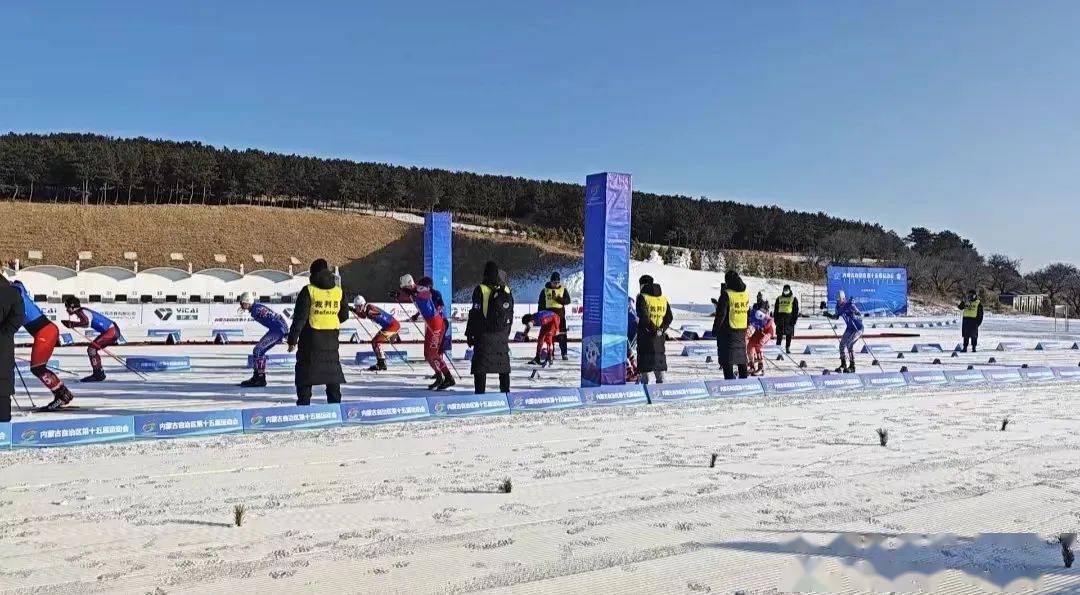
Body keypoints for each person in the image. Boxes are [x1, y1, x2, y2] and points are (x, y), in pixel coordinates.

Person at [287, 259, 349, 406]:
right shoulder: (338, 291)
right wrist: (329, 319)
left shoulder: (308, 290)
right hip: (332, 338)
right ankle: (335, 405)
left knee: (305, 371)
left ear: (313, 273)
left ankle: (303, 404)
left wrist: (292, 339)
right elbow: (344, 315)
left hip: (311, 338)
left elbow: (300, 318)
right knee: (332, 371)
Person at [12, 281, 74, 411]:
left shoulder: (13, 291)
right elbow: (19, 285)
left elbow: (17, 288)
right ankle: (63, 393)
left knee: (37, 368)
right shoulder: (16, 289)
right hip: (47, 329)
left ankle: (61, 395)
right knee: (39, 367)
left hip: (44, 331)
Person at [396, 274, 454, 390]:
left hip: (436, 323)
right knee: (427, 354)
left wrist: (415, 293)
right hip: (429, 323)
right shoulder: (412, 292)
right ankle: (438, 377)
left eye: (404, 289)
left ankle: (448, 377)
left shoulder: (419, 289)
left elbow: (427, 294)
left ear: (409, 285)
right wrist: (398, 296)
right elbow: (410, 297)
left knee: (433, 353)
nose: (404, 291)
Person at [465, 261, 514, 394]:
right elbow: (511, 313)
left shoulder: (480, 289)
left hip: (484, 334)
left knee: (481, 365)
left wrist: (470, 334)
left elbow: (475, 313)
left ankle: (480, 393)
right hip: (502, 334)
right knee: (502, 365)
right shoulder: (506, 290)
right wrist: (506, 332)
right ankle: (506, 392)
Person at [60, 296, 121, 383]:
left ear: (72, 306)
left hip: (111, 331)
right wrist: (71, 324)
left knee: (92, 349)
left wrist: (71, 324)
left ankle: (98, 374)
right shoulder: (81, 311)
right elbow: (86, 323)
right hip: (111, 330)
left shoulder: (81, 311)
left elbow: (86, 322)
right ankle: (98, 373)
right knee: (92, 349)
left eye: (67, 307)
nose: (67, 309)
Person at [238, 291, 290, 387]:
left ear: (247, 302)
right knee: (258, 351)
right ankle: (257, 376)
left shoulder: (256, 310)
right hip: (277, 330)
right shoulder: (256, 308)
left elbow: (275, 317)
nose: (241, 304)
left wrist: (285, 332)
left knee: (258, 350)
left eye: (242, 302)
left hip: (277, 331)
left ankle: (260, 378)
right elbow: (277, 316)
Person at [712, 270, 750, 380]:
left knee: (727, 359)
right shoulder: (745, 294)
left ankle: (729, 382)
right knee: (741, 358)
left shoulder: (726, 294)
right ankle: (744, 381)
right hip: (741, 329)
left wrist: (715, 329)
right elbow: (747, 312)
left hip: (728, 331)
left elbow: (721, 315)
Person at [636, 280, 673, 385]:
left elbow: (644, 317)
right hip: (659, 338)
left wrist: (653, 329)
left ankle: (644, 392)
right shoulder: (663, 299)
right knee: (659, 364)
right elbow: (669, 317)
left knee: (644, 368)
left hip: (645, 336)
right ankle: (661, 391)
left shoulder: (642, 297)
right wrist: (661, 329)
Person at [350, 295, 400, 371]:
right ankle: (381, 363)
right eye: (356, 307)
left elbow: (378, 313)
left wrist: (372, 313)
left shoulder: (369, 307)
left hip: (392, 326)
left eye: (358, 307)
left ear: (362, 305)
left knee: (375, 342)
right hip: (388, 326)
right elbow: (363, 316)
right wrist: (352, 309)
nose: (357, 308)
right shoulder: (366, 308)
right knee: (374, 342)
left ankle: (381, 364)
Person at [823, 290, 864, 373]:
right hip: (849, 328)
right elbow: (836, 317)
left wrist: (854, 316)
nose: (838, 301)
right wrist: (828, 315)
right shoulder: (838, 307)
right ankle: (843, 364)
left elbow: (861, 316)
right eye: (837, 300)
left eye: (839, 300)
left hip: (858, 328)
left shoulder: (850, 305)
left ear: (843, 298)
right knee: (841, 345)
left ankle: (852, 366)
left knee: (849, 345)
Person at [1, 275, 23, 422]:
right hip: (3, 345)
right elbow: (18, 317)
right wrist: (5, 333)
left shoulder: (11, 292)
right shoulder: (13, 292)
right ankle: (3, 431)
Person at [537, 271, 572, 360]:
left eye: (557, 282)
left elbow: (567, 301)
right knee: (550, 336)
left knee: (562, 335)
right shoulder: (545, 290)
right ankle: (550, 353)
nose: (556, 284)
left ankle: (564, 353)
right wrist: (541, 316)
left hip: (560, 318)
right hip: (549, 318)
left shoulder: (563, 289)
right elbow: (541, 304)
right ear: (551, 281)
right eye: (554, 282)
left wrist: (558, 299)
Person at [746, 303, 776, 376]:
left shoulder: (758, 313)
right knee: (749, 346)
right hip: (758, 331)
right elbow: (750, 325)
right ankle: (752, 366)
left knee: (758, 346)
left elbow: (770, 320)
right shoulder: (749, 315)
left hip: (768, 331)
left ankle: (760, 367)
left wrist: (764, 327)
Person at [773, 285, 800, 354]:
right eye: (784, 290)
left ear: (789, 290)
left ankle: (787, 348)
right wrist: (775, 319)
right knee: (779, 334)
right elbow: (775, 310)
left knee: (789, 334)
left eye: (786, 290)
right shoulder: (779, 298)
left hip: (789, 318)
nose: (785, 291)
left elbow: (796, 310)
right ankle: (778, 348)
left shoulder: (793, 298)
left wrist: (794, 320)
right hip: (780, 317)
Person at [625, 298, 639, 383]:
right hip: (631, 338)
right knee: (629, 352)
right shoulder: (633, 314)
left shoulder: (631, 315)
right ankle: (633, 371)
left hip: (629, 338)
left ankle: (631, 372)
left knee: (627, 351)